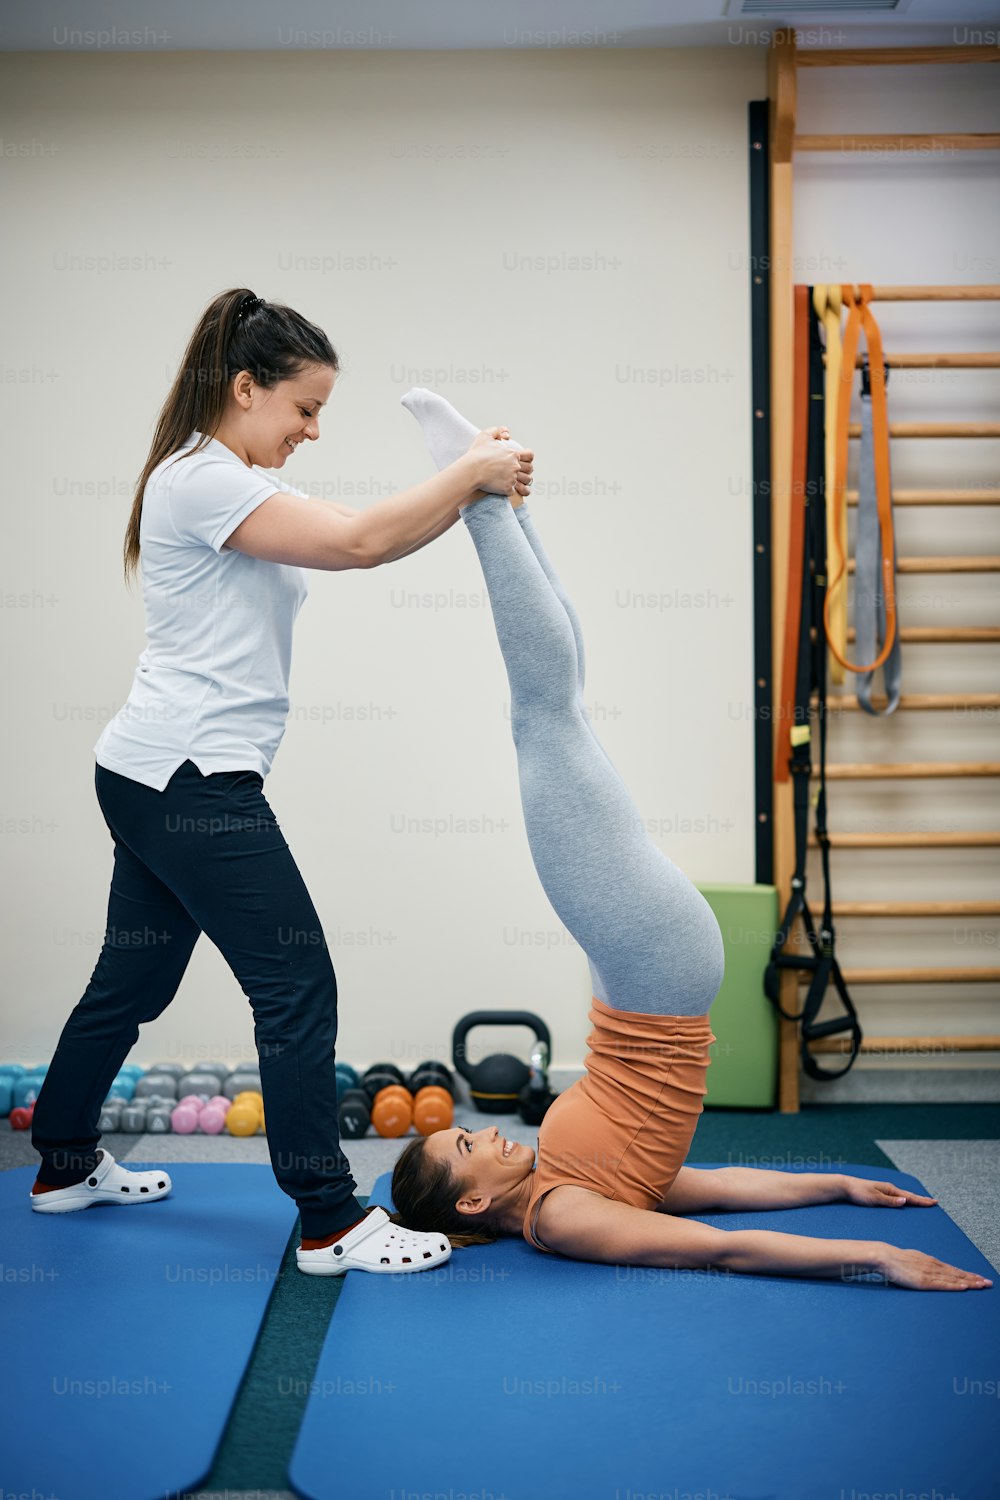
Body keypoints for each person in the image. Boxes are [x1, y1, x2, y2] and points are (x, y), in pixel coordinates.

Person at [390, 390, 992, 1295]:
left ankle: (500, 499)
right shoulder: (562, 1215)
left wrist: (835, 1184)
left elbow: (701, 1189)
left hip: (638, 988)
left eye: (469, 1129)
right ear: (471, 1204)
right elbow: (716, 1247)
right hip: (657, 976)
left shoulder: (576, 1176)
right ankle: (479, 497)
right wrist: (876, 1258)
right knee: (547, 718)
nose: (487, 1130)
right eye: (471, 1146)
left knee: (563, 708)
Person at [27, 289, 533, 1279]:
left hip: (151, 773)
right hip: (188, 783)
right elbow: (359, 544)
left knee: (130, 983)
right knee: (295, 983)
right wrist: (470, 473)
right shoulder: (198, 482)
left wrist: (464, 484)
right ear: (245, 386)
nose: (310, 430)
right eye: (303, 409)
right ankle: (331, 1221)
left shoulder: (222, 480)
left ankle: (62, 1163)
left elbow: (355, 527)